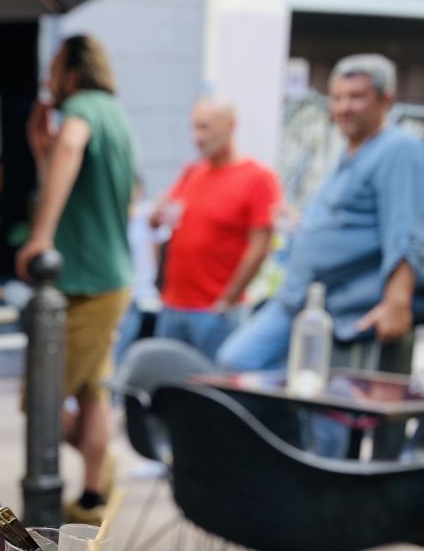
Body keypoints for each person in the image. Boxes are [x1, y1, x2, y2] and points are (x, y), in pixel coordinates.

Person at [218, 54, 423, 374]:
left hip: (344, 311)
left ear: (387, 100)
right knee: (237, 363)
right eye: (338, 97)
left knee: (321, 401)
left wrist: (398, 302)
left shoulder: (397, 149)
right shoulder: (348, 153)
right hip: (299, 300)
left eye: (357, 97)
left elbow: (406, 229)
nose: (344, 107)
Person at [15, 34, 135, 524]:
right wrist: (40, 149)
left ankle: (96, 469)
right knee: (90, 394)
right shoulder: (115, 114)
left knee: (39, 402)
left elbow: (71, 146)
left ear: (73, 73)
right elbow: (75, 173)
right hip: (103, 280)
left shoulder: (83, 108)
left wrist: (39, 237)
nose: (48, 81)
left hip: (89, 284)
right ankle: (91, 496)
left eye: (54, 70)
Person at [151, 97, 281, 360]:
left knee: (213, 391)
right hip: (173, 305)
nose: (196, 137)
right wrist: (156, 212)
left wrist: (227, 301)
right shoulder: (192, 172)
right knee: (168, 388)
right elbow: (159, 221)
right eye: (194, 128)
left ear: (230, 126)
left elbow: (261, 246)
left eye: (205, 128)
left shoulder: (258, 178)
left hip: (214, 312)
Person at [114, 175, 163, 366]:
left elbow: (158, 244)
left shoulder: (147, 213)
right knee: (118, 349)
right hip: (122, 294)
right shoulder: (114, 219)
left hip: (145, 294)